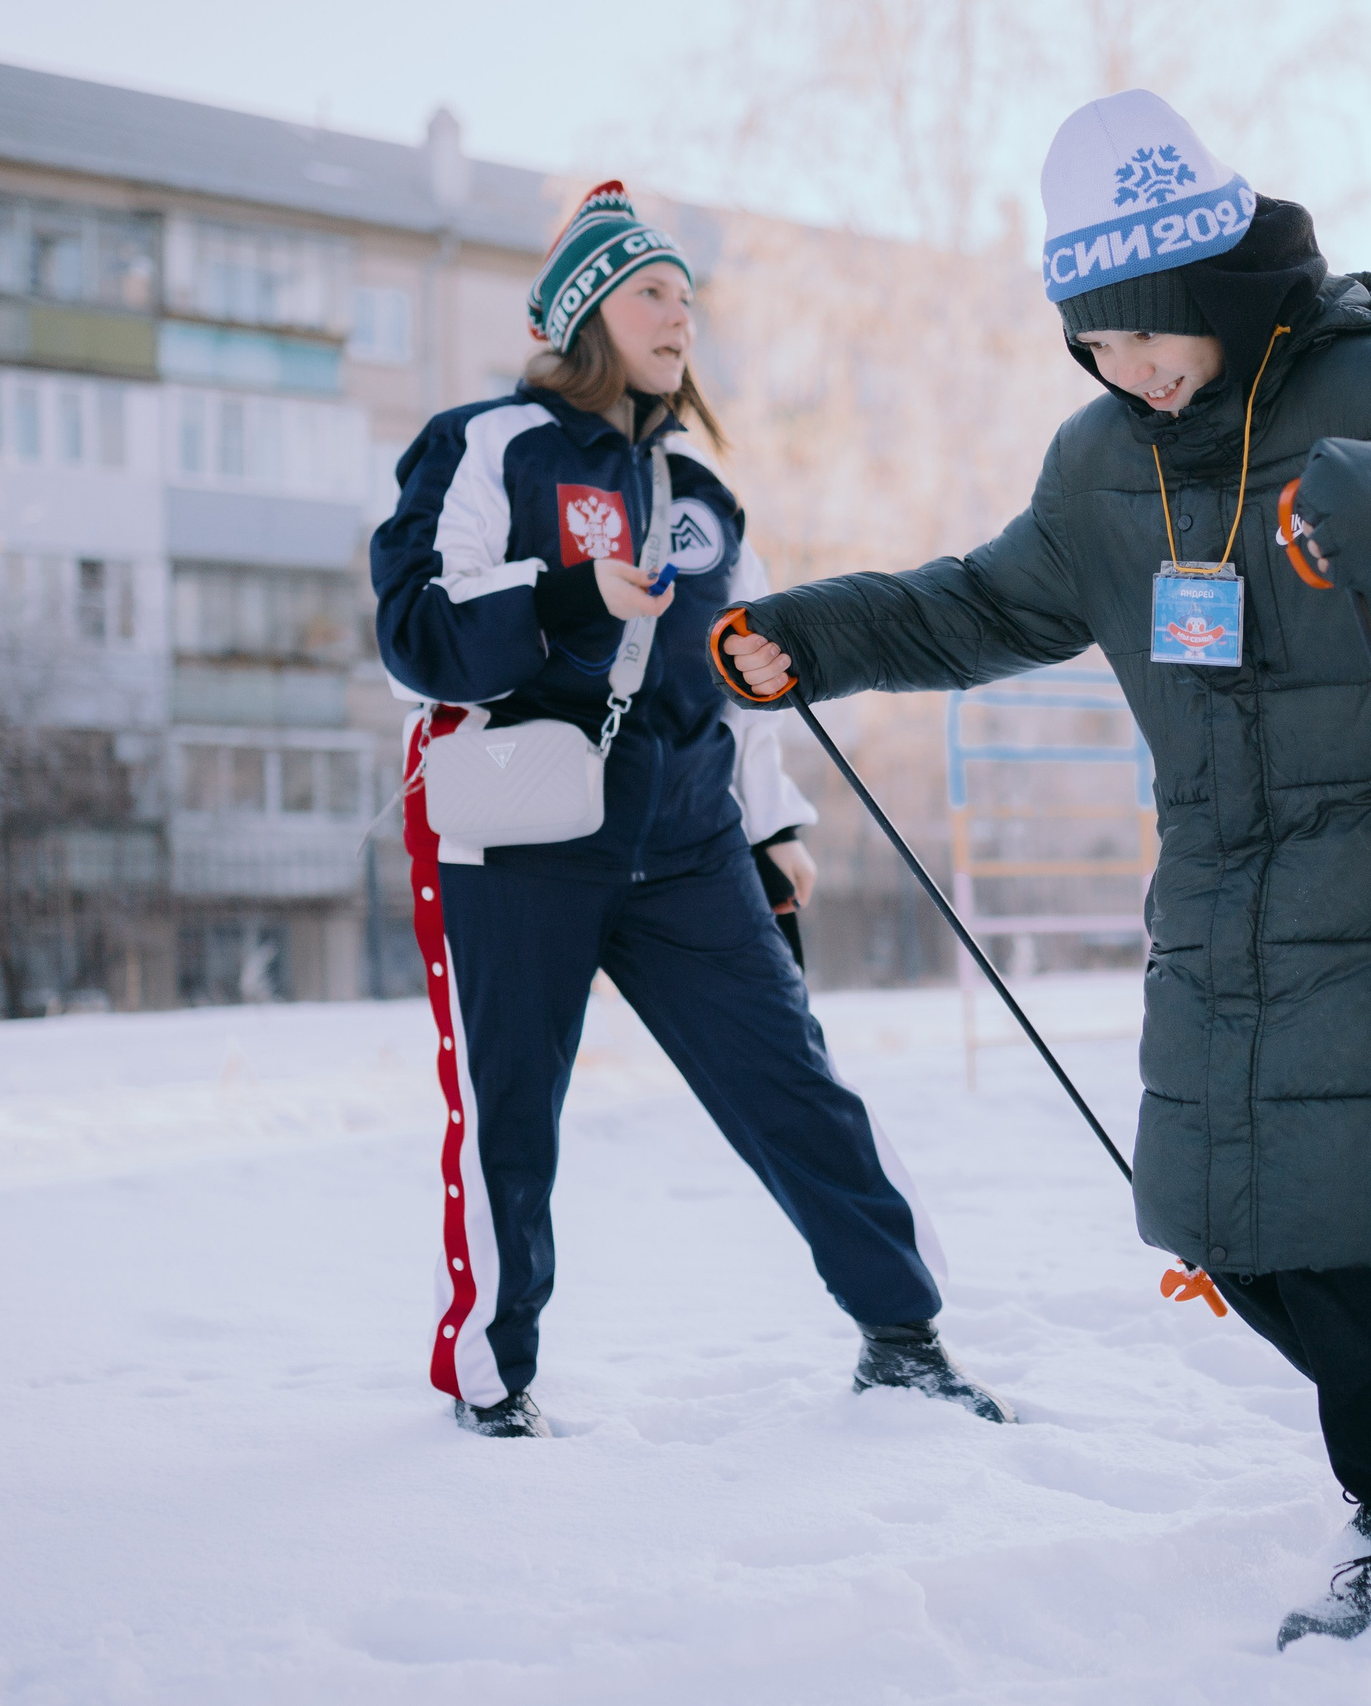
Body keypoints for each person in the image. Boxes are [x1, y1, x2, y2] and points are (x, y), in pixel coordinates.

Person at [712, 96, 1371, 1640]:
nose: (1129, 367)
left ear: (1214, 285)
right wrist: (823, 631)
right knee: (1229, 1218)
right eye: (1095, 343)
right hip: (1222, 878)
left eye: (1149, 333)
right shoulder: (1098, 464)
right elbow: (980, 604)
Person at [371, 181, 1009, 1440]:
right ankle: (496, 1385)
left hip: (686, 840)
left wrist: (774, 826)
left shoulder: (703, 488)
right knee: (511, 1116)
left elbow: (742, 675)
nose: (682, 317)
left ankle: (902, 1332)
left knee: (793, 1085)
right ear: (584, 312)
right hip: (520, 840)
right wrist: (566, 595)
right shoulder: (486, 444)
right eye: (655, 291)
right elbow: (415, 636)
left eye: (689, 300)